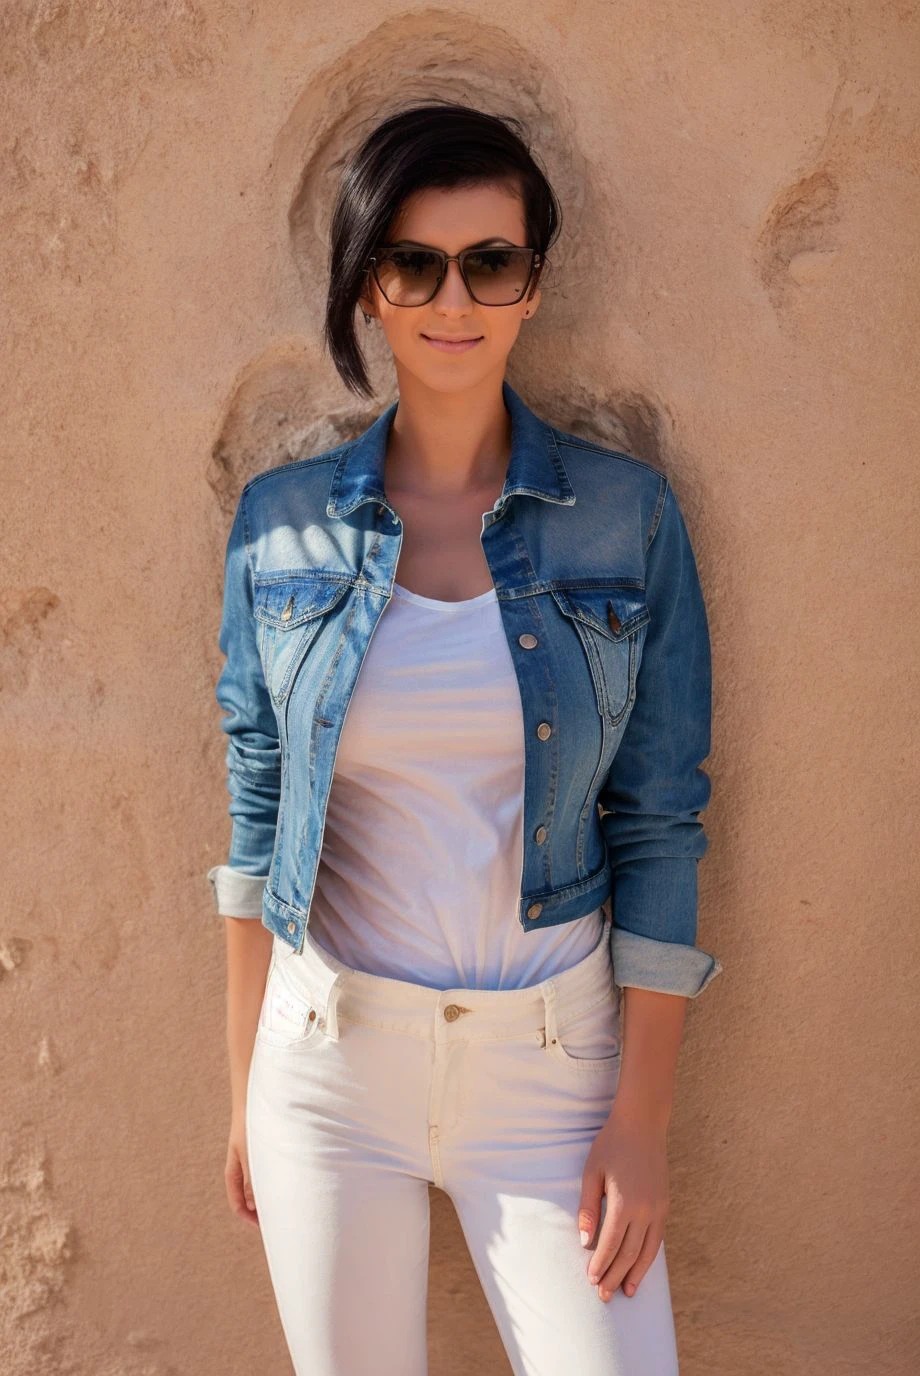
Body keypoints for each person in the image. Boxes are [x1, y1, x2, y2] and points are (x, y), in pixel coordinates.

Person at [206, 100, 722, 1376]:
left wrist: (640, 1119)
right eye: (413, 263)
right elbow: (257, 803)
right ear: (367, 286)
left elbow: (659, 815)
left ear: (532, 284)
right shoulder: (281, 526)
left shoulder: (623, 518)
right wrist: (246, 1087)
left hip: (550, 1068)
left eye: (490, 262)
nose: (453, 299)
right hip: (325, 1064)